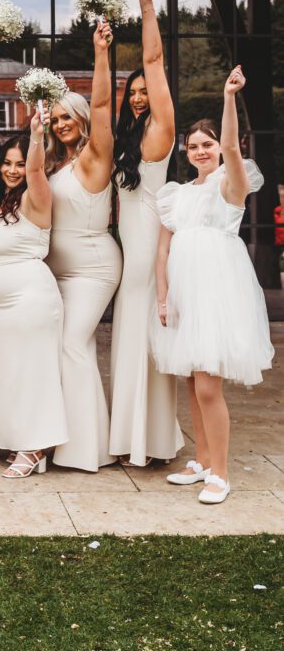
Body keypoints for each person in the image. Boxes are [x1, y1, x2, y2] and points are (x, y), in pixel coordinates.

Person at [150, 66, 274, 504]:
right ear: (186, 153)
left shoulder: (230, 184)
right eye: (193, 146)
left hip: (216, 292)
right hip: (184, 293)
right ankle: (202, 460)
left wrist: (228, 98)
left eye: (207, 145)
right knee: (190, 380)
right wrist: (164, 298)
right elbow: (163, 251)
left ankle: (220, 473)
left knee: (208, 384)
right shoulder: (177, 194)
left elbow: (231, 149)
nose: (201, 151)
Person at [109, 0, 183, 467]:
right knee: (130, 342)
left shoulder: (161, 130)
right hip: (128, 250)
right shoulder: (127, 142)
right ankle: (136, 438)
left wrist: (145, 5)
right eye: (132, 91)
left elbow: (153, 60)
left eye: (144, 91)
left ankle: (145, 441)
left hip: (148, 249)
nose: (139, 96)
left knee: (145, 344)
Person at [45, 20, 122, 472]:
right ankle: (80, 440)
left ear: (82, 119)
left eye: (66, 117)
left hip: (93, 268)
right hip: (58, 271)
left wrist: (100, 52)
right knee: (73, 347)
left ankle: (81, 449)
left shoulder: (96, 154)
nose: (60, 125)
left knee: (72, 345)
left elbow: (103, 101)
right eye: (55, 119)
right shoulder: (58, 162)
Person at [0, 111, 68, 479]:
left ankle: (35, 448)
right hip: (2, 307)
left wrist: (36, 135)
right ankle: (19, 439)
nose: (13, 170)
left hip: (32, 299)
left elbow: (34, 172)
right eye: (7, 164)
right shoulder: (3, 204)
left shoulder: (37, 196)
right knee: (10, 374)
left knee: (34, 373)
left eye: (20, 165)